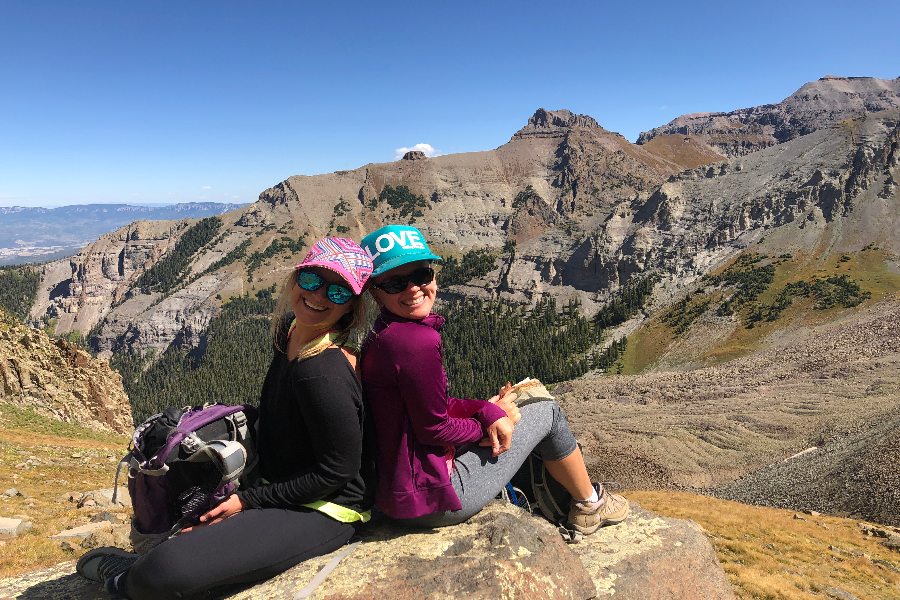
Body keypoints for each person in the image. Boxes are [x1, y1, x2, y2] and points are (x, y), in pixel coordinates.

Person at [77, 237, 376, 600]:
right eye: (313, 280)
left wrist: (248, 502)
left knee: (166, 569)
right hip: (276, 484)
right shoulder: (290, 331)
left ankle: (125, 580)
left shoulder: (322, 373)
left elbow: (337, 472)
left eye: (339, 292)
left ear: (352, 308)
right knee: (186, 531)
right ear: (296, 280)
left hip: (327, 509)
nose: (320, 295)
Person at [360, 224, 628, 532]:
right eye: (395, 283)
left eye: (421, 275)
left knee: (518, 401)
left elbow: (430, 406)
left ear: (433, 275)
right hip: (431, 498)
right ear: (376, 292)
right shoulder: (416, 342)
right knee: (547, 411)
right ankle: (590, 504)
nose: (413, 289)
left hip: (401, 489)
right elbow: (433, 428)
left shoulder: (383, 332)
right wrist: (487, 429)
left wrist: (487, 410)